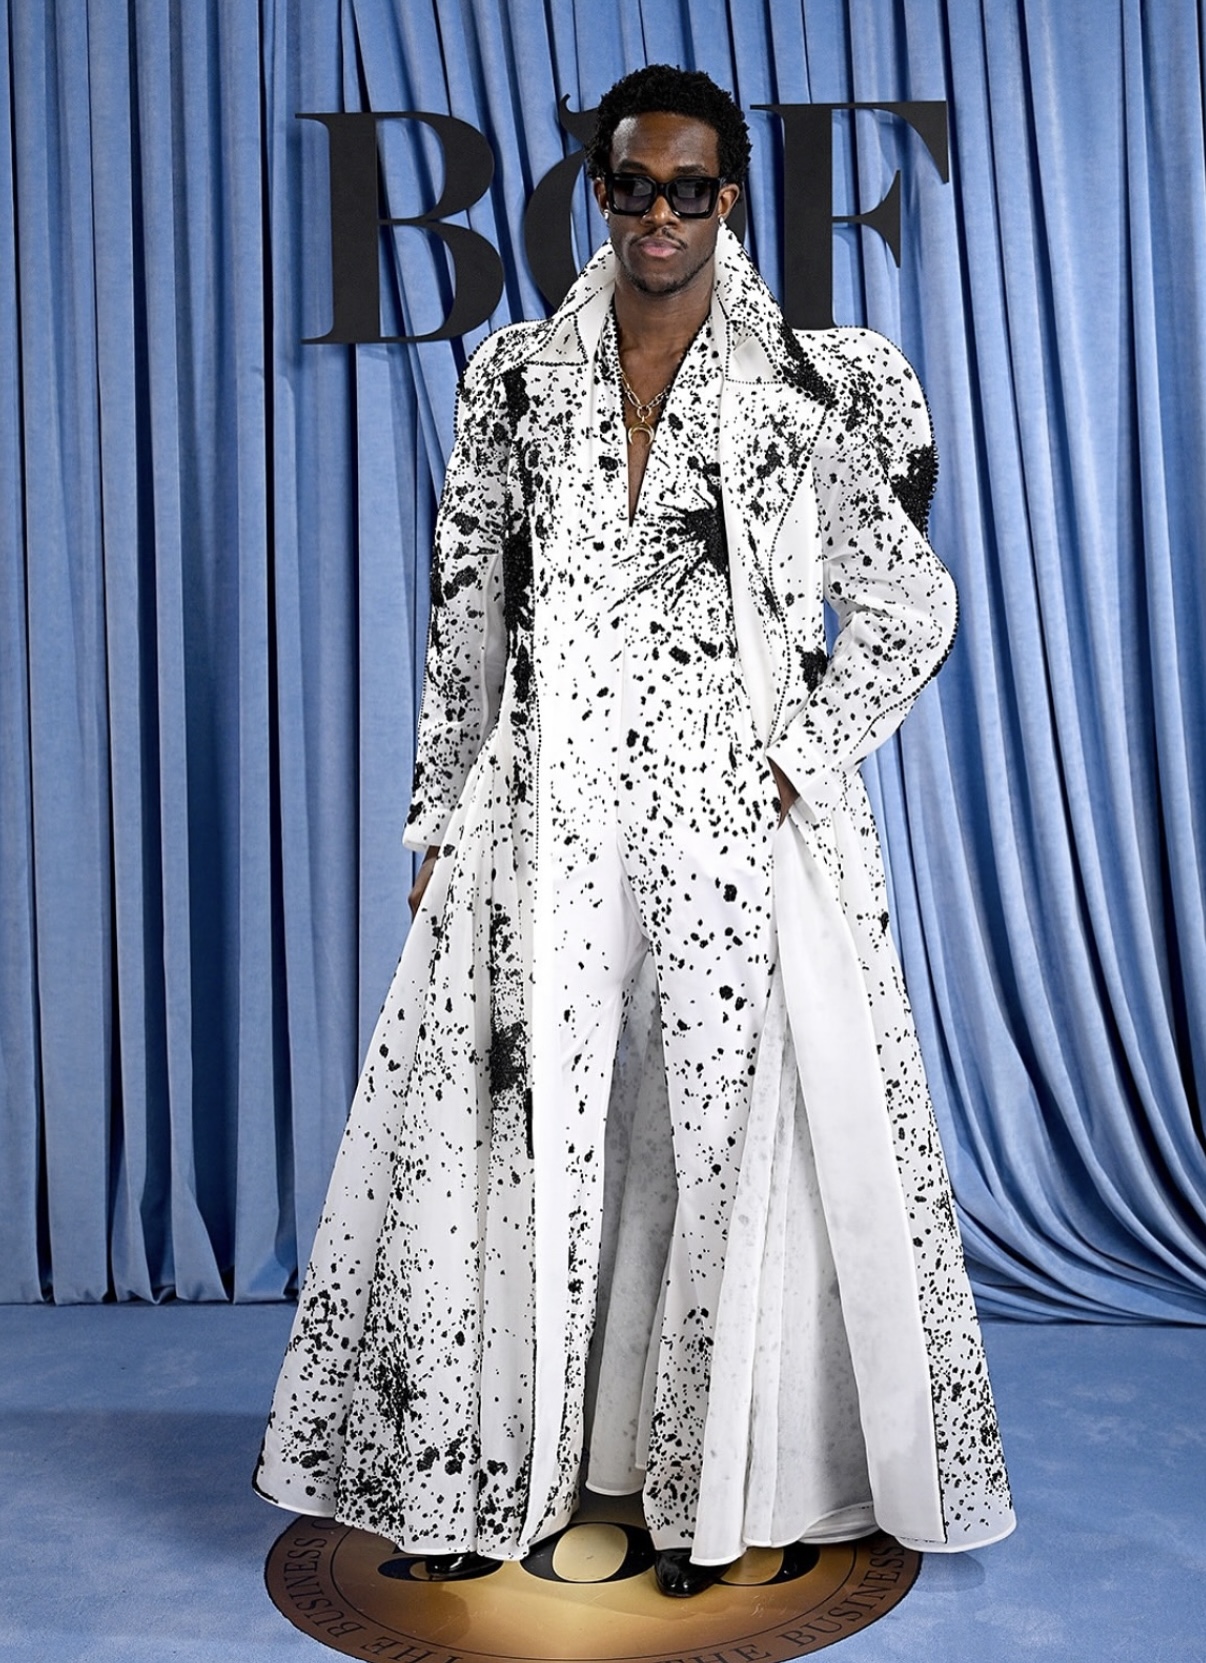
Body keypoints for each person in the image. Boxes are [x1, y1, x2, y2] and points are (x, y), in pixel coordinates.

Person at [256, 65, 1014, 1599]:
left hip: (732, 822)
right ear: (596, 194)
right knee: (518, 1131)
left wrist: (790, 764)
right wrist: (438, 814)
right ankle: (496, 1475)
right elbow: (469, 618)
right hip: (540, 811)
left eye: (685, 188)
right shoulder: (512, 377)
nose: (656, 213)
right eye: (628, 186)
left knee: (717, 1143)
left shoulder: (817, 381)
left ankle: (710, 1492)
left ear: (725, 198)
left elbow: (907, 606)